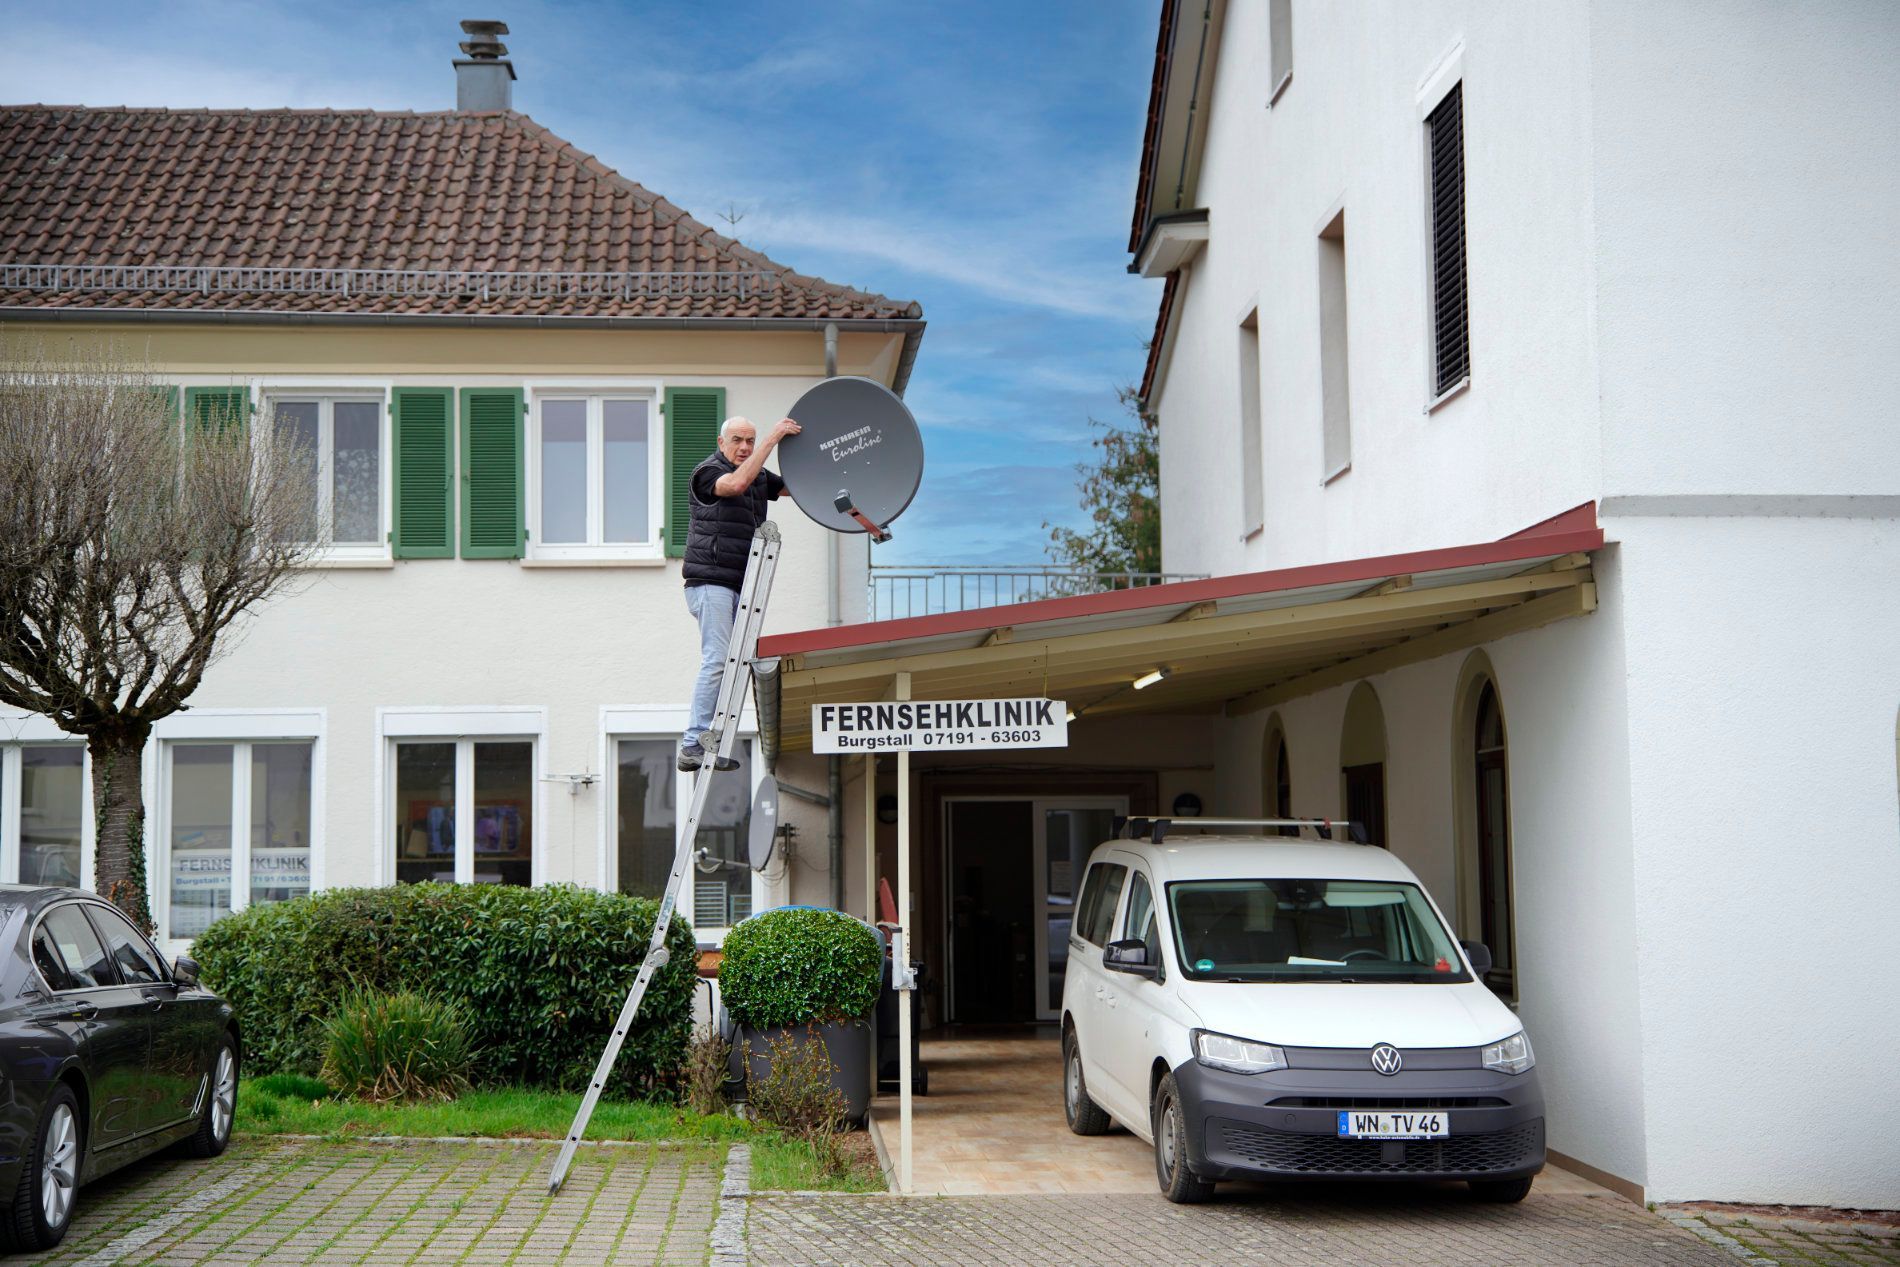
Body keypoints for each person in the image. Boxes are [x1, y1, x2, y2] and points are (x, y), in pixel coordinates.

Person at [679, 414, 800, 771]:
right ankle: (692, 744)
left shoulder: (760, 477)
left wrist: (838, 471)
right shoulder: (708, 473)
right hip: (710, 581)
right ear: (721, 443)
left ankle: (712, 739)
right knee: (718, 659)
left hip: (742, 584)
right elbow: (734, 486)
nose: (745, 447)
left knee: (735, 664)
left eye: (751, 440)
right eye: (737, 440)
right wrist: (772, 439)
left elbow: (798, 486)